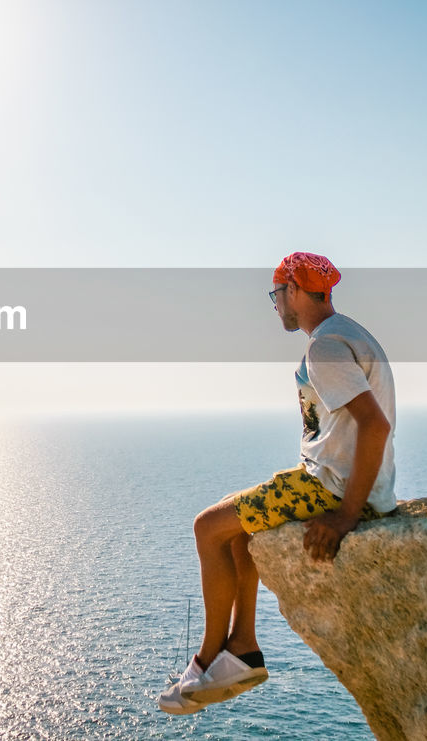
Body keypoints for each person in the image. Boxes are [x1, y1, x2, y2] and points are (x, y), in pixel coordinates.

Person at [157, 251, 397, 715]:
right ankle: (242, 646)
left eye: (276, 295)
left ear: (293, 291)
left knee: (207, 527)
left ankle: (207, 659)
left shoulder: (325, 348)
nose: (276, 306)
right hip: (330, 478)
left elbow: (375, 426)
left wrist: (347, 515)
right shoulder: (348, 333)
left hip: (332, 488)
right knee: (234, 517)